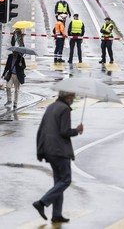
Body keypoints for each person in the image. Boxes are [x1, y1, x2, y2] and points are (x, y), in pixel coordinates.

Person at [33, 91, 83, 223]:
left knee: (58, 183)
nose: (73, 99)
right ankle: (42, 202)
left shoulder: (51, 107)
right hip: (60, 150)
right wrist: (77, 130)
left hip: (49, 149)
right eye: (72, 96)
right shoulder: (65, 109)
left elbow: (41, 129)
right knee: (66, 180)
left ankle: (56, 214)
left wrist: (40, 150)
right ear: (67, 97)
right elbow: (64, 131)